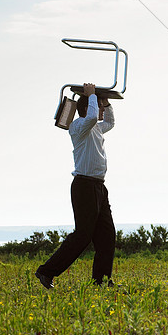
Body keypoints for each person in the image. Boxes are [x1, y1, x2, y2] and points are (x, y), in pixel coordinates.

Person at [36, 83, 117, 288]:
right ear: (87, 107)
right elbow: (90, 117)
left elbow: (111, 122)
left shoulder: (97, 128)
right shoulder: (78, 127)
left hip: (99, 187)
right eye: (97, 106)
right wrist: (91, 96)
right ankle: (46, 272)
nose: (99, 110)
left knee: (107, 236)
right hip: (84, 186)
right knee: (83, 235)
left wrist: (105, 103)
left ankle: (101, 281)